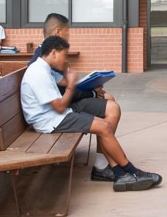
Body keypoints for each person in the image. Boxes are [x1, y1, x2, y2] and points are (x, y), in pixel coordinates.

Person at [20, 36, 161, 192]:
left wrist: (89, 87)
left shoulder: (45, 68)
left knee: (104, 124)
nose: (65, 59)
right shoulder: (38, 73)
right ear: (53, 53)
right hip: (49, 121)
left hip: (57, 115)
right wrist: (71, 86)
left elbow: (65, 86)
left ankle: (120, 173)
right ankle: (132, 172)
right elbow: (59, 106)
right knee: (104, 127)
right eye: (64, 55)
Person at [30, 13, 117, 182]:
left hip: (65, 104)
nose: (69, 38)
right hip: (59, 111)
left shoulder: (46, 53)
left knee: (109, 100)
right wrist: (91, 92)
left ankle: (103, 162)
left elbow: (66, 85)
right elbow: (64, 93)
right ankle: (103, 165)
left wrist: (90, 88)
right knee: (109, 104)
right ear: (57, 32)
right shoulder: (44, 59)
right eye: (67, 33)